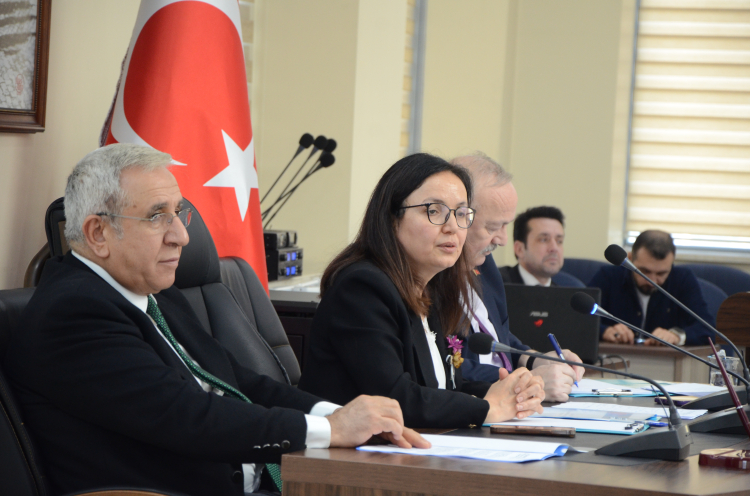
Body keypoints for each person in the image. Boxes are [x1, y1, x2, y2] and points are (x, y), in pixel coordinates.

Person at [5, 144, 428, 496]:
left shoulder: (155, 293)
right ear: (98, 234)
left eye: (178, 212)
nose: (181, 236)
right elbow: (188, 416)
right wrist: (329, 429)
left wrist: (343, 414)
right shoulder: (74, 312)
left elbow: (240, 382)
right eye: (157, 216)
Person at [298, 153, 545, 429]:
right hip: (351, 452)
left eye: (461, 214)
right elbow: (395, 398)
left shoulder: (431, 287)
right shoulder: (362, 288)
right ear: (392, 217)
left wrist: (511, 393)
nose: (452, 227)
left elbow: (443, 387)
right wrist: (488, 408)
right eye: (434, 211)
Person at [451, 153, 584, 402]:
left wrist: (536, 359)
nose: (502, 239)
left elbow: (498, 339)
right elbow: (439, 365)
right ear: (459, 217)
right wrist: (527, 379)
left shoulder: (484, 264)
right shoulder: (427, 277)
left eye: (506, 225)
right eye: (493, 227)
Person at [589, 230, 714, 346]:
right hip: (615, 356)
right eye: (644, 272)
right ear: (630, 259)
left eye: (661, 273)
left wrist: (677, 336)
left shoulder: (683, 280)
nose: (652, 281)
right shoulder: (608, 276)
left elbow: (708, 329)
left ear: (671, 265)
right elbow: (581, 318)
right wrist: (604, 331)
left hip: (664, 360)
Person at [499, 206, 565, 287]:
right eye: (544, 240)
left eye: (559, 241)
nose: (554, 248)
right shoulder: (495, 285)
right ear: (519, 249)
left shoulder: (565, 292)